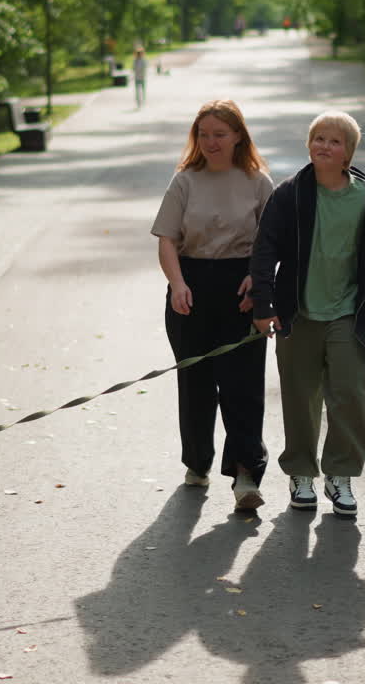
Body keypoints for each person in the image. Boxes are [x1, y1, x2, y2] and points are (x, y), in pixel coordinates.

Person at [249, 111, 365, 516]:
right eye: (318, 138)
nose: (323, 146)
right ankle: (301, 473)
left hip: (350, 313)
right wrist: (263, 306)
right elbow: (263, 253)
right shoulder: (290, 195)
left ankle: (340, 475)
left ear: (348, 152)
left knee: (350, 395)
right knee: (301, 397)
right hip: (297, 314)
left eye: (334, 141)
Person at [151, 100, 274, 510]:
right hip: (192, 287)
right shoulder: (184, 180)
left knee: (242, 385)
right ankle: (198, 461)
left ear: (238, 135)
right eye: (203, 134)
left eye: (219, 134)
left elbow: (271, 241)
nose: (210, 142)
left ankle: (245, 475)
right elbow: (167, 239)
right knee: (197, 383)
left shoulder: (258, 182)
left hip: (242, 289)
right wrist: (177, 284)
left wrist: (258, 277)